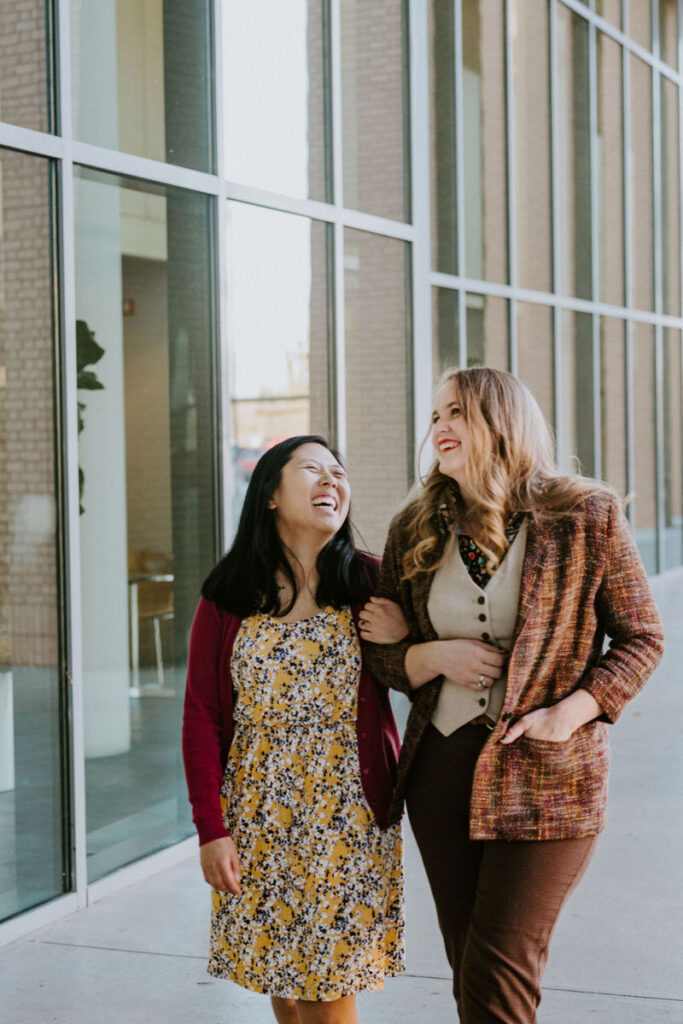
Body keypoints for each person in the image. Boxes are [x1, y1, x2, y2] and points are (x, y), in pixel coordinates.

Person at [360, 367, 664, 1024]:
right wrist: (422, 653)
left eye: (457, 412)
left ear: (501, 421)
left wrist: (571, 713)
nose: (438, 427)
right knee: (469, 962)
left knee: (498, 967)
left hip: (548, 775)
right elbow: (380, 652)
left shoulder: (583, 514)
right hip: (440, 770)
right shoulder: (414, 524)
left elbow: (641, 637)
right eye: (436, 414)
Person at [182, 435, 406, 1024]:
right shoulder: (229, 594)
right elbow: (202, 714)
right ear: (271, 495)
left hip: (347, 819)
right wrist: (211, 828)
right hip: (256, 818)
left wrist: (411, 640)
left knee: (328, 991)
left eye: (339, 472)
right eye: (312, 469)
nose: (332, 480)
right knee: (283, 983)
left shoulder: (370, 583)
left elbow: (418, 676)